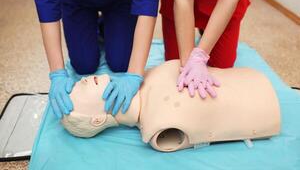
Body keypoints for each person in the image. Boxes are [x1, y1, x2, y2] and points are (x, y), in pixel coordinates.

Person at [61, 60, 281, 152]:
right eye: (77, 93)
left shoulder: (143, 77)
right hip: (264, 108)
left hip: (247, 80)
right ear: (97, 119)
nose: (80, 81)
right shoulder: (157, 129)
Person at [33, 0, 160, 118]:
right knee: (84, 65)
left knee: (121, 63)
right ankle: (100, 29)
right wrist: (57, 73)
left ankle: (106, 27)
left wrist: (135, 75)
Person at [159, 0, 260, 98]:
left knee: (222, 74)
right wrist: (188, 65)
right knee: (175, 71)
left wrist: (199, 56)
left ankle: (205, 33)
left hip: (223, 3)